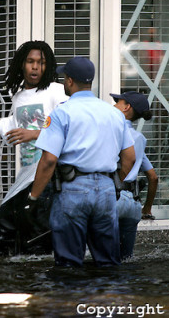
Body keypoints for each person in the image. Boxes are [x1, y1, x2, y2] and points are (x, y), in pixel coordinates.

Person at [28, 56, 136, 267]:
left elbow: (49, 160)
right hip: (106, 190)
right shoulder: (114, 114)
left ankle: (72, 299)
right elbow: (129, 158)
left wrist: (34, 197)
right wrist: (113, 183)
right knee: (108, 264)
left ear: (69, 81)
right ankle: (107, 299)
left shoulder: (62, 113)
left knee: (69, 265)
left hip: (72, 190)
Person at [0, 41, 68, 255]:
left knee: (30, 240)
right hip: (26, 178)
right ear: (22, 64)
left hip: (48, 179)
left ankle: (39, 283)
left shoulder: (56, 91)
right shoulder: (18, 96)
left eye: (41, 62)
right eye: (30, 61)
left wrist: (35, 133)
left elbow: (70, 126)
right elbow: (11, 125)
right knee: (3, 239)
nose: (35, 67)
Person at [110, 91, 159, 260]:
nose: (114, 104)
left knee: (105, 258)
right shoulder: (139, 139)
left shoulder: (113, 133)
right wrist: (147, 208)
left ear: (126, 107)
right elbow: (153, 177)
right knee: (127, 260)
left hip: (113, 199)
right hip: (133, 203)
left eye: (117, 101)